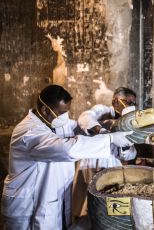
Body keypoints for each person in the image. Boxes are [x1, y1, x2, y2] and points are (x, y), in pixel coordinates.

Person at [1, 85, 133, 229]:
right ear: (45, 110)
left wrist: (109, 127)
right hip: (26, 206)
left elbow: (79, 127)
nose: (65, 117)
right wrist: (110, 139)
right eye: (62, 112)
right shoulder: (29, 132)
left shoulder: (54, 121)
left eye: (67, 112)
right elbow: (67, 149)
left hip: (51, 195)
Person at [73, 87, 138, 219]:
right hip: (92, 161)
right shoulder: (102, 110)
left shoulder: (129, 121)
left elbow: (130, 153)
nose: (131, 107)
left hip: (112, 165)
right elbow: (85, 118)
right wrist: (101, 131)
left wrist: (125, 146)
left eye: (133, 104)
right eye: (128, 102)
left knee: (106, 208)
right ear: (115, 102)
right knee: (86, 206)